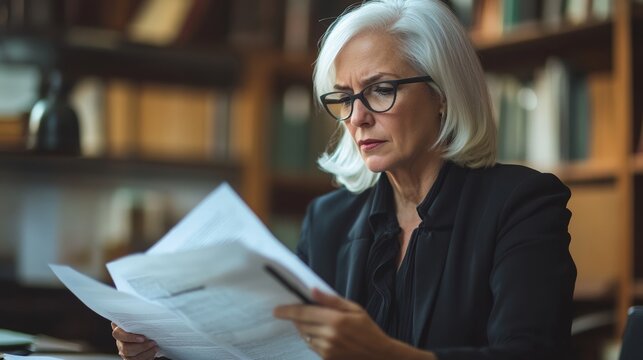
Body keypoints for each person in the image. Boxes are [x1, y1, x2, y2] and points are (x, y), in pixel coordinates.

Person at [112, 0, 576, 359]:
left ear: (442, 94)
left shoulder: (522, 204)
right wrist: (168, 347)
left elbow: (531, 355)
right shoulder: (328, 221)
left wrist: (384, 355)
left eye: (380, 90)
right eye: (344, 97)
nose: (357, 118)